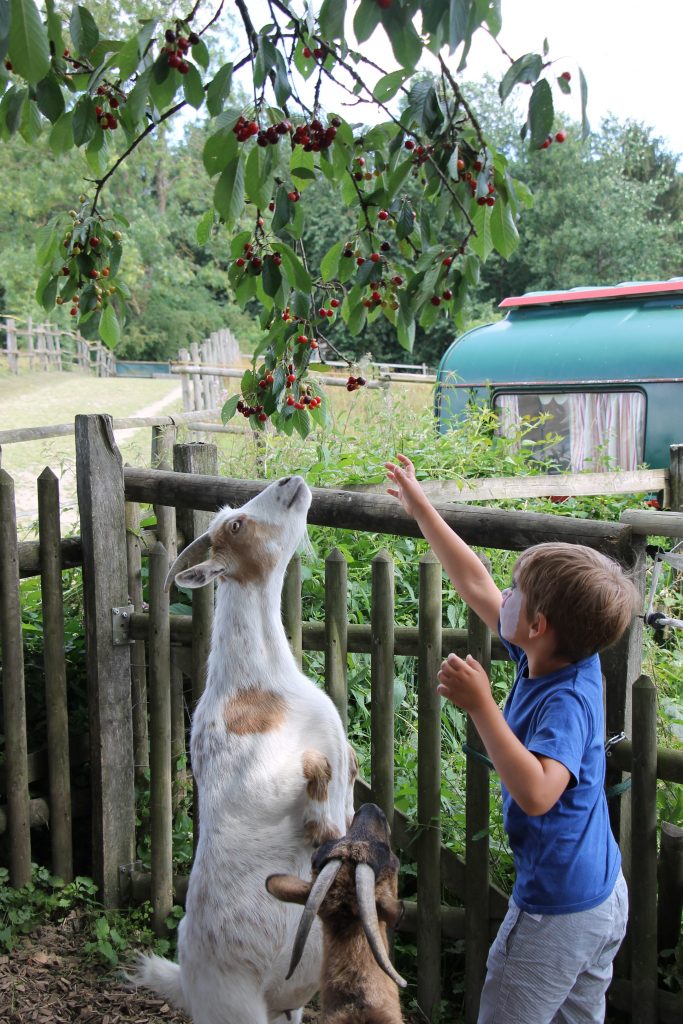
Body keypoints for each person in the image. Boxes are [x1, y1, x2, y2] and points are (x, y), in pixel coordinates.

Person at [385, 453, 637, 1024]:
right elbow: (474, 579)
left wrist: (481, 708)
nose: (506, 594)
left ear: (539, 624)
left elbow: (540, 792)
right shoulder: (557, 653)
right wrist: (420, 505)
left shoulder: (568, 698)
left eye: (518, 591)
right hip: (598, 894)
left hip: (558, 908)